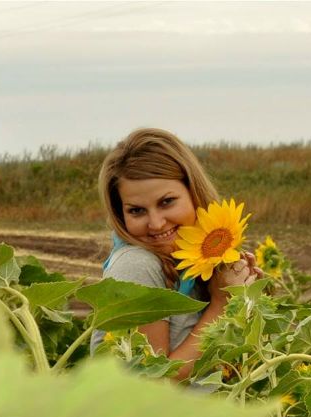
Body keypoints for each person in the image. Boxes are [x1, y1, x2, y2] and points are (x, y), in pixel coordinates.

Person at [90, 127, 260, 380]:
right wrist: (221, 306)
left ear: (194, 192)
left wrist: (247, 295)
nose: (156, 223)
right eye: (137, 211)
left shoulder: (191, 260)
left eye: (166, 202)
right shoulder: (138, 265)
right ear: (120, 214)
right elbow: (156, 381)